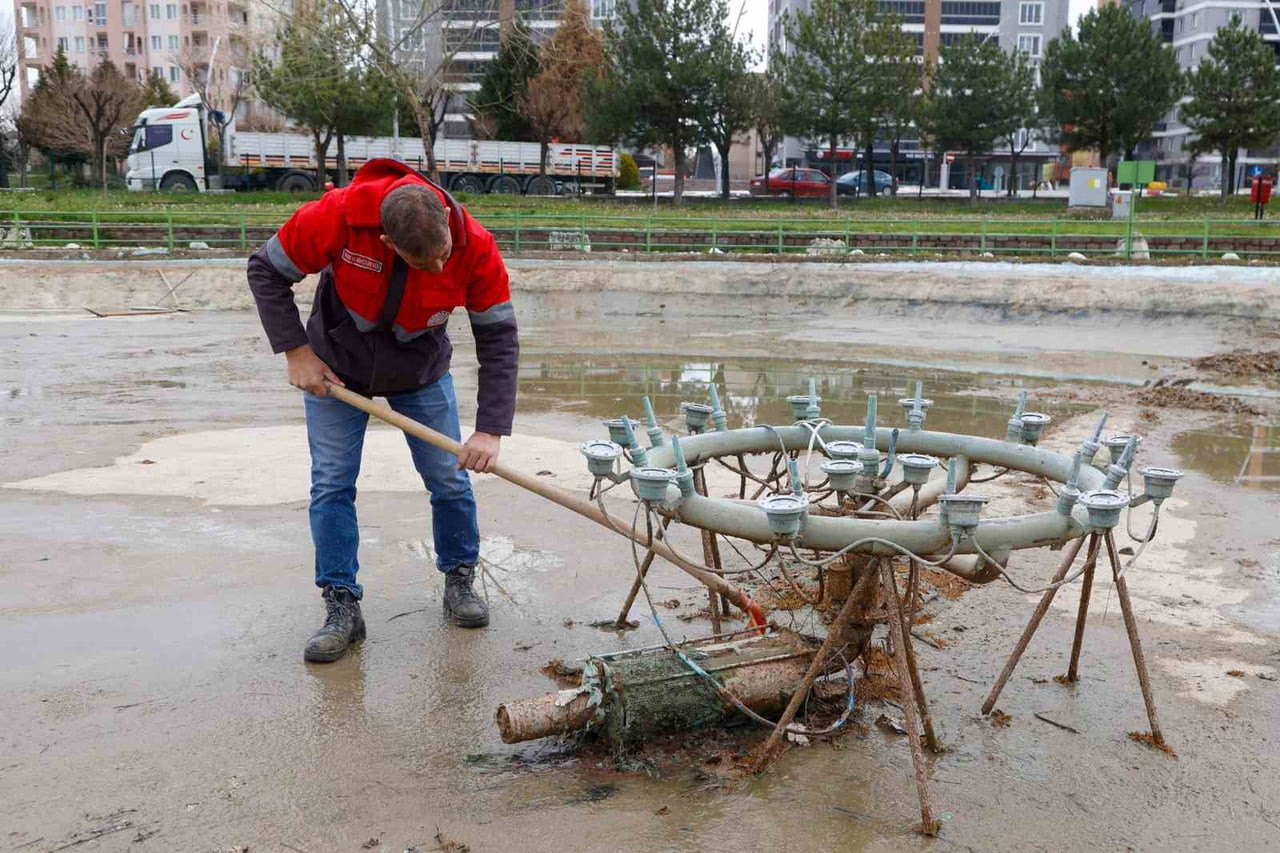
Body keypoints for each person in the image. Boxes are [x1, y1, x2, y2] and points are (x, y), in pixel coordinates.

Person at [247, 158, 519, 662]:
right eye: (425, 264)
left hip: (421, 369)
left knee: (449, 477)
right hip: (336, 366)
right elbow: (265, 268)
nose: (440, 270)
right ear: (388, 244)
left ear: (447, 222)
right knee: (331, 483)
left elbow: (499, 337)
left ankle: (459, 579)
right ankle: (341, 604)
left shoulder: (475, 245)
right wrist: (296, 351)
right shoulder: (338, 216)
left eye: (444, 255)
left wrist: (490, 430)